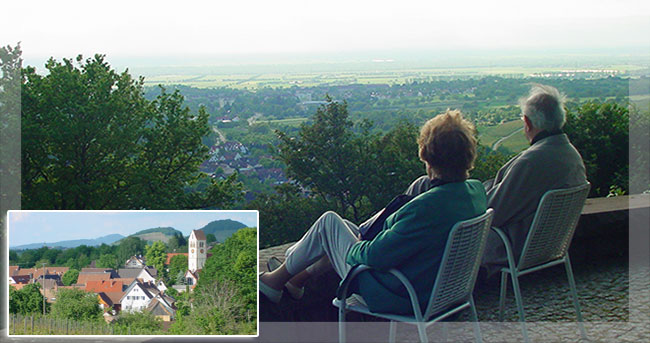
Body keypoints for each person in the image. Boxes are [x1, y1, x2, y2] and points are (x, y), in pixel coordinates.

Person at [259, 110, 487, 314]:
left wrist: (359, 245)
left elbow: (374, 256)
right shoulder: (474, 193)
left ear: (426, 155)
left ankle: (275, 280)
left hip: (398, 294)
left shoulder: (426, 208)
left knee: (329, 224)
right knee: (344, 229)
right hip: (442, 291)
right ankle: (295, 279)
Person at [406, 84, 586, 276]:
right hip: (548, 245)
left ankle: (391, 242)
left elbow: (490, 211)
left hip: (510, 245)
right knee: (425, 184)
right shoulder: (570, 155)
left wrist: (466, 193)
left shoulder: (532, 162)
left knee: (423, 186)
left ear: (527, 122)